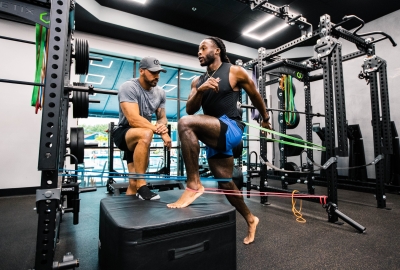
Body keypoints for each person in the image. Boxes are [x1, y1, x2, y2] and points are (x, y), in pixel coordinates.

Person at [167, 37, 272, 245]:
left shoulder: (234, 71)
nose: (199, 52)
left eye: (203, 48)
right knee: (225, 183)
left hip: (231, 128)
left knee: (185, 123)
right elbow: (190, 108)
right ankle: (251, 219)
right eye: (198, 49)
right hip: (214, 133)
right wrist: (201, 89)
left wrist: (265, 119)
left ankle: (194, 184)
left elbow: (255, 95)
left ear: (216, 51)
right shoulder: (197, 81)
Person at [113, 56, 172, 200]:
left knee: (131, 182)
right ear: (141, 71)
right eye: (153, 72)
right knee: (145, 133)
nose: (157, 76)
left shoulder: (160, 93)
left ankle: (131, 217)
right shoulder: (129, 87)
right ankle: (142, 185)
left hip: (142, 137)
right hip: (124, 133)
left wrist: (162, 127)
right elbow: (133, 119)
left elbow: (162, 117)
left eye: (158, 73)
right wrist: (160, 132)